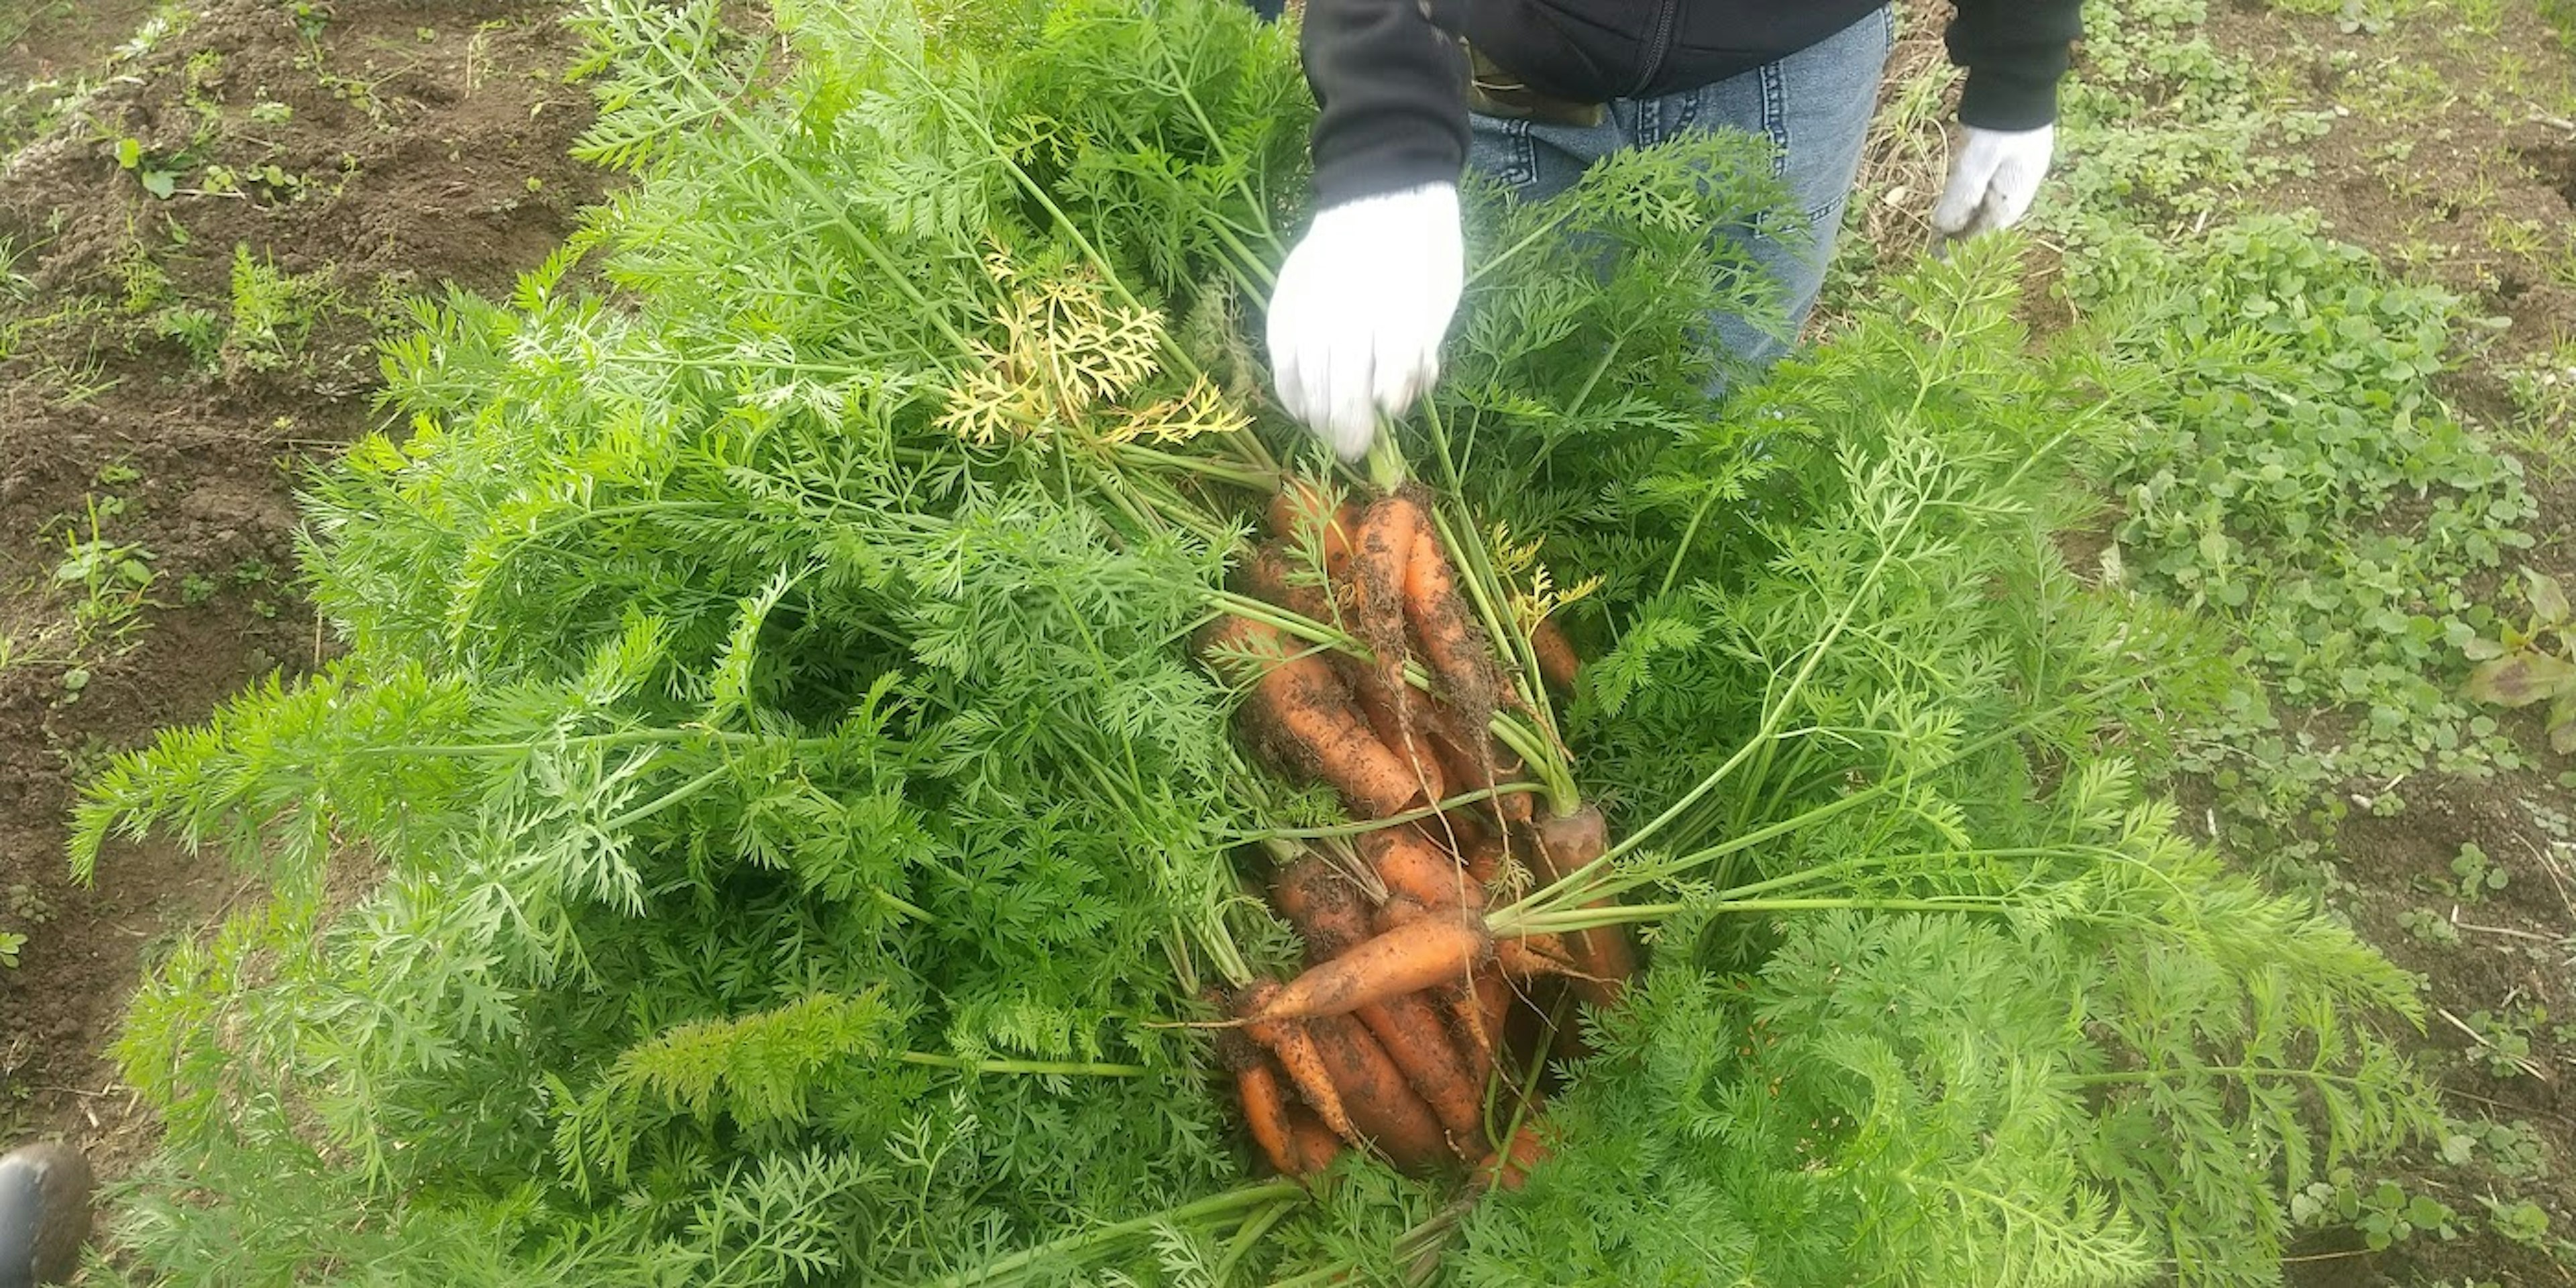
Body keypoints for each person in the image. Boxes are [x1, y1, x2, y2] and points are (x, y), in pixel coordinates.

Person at [1262, 0, 2084, 460]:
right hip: (1490, 63)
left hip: (1794, 68)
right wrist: (1386, 118)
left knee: (1720, 432)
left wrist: (2022, 51)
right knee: (1486, 435)